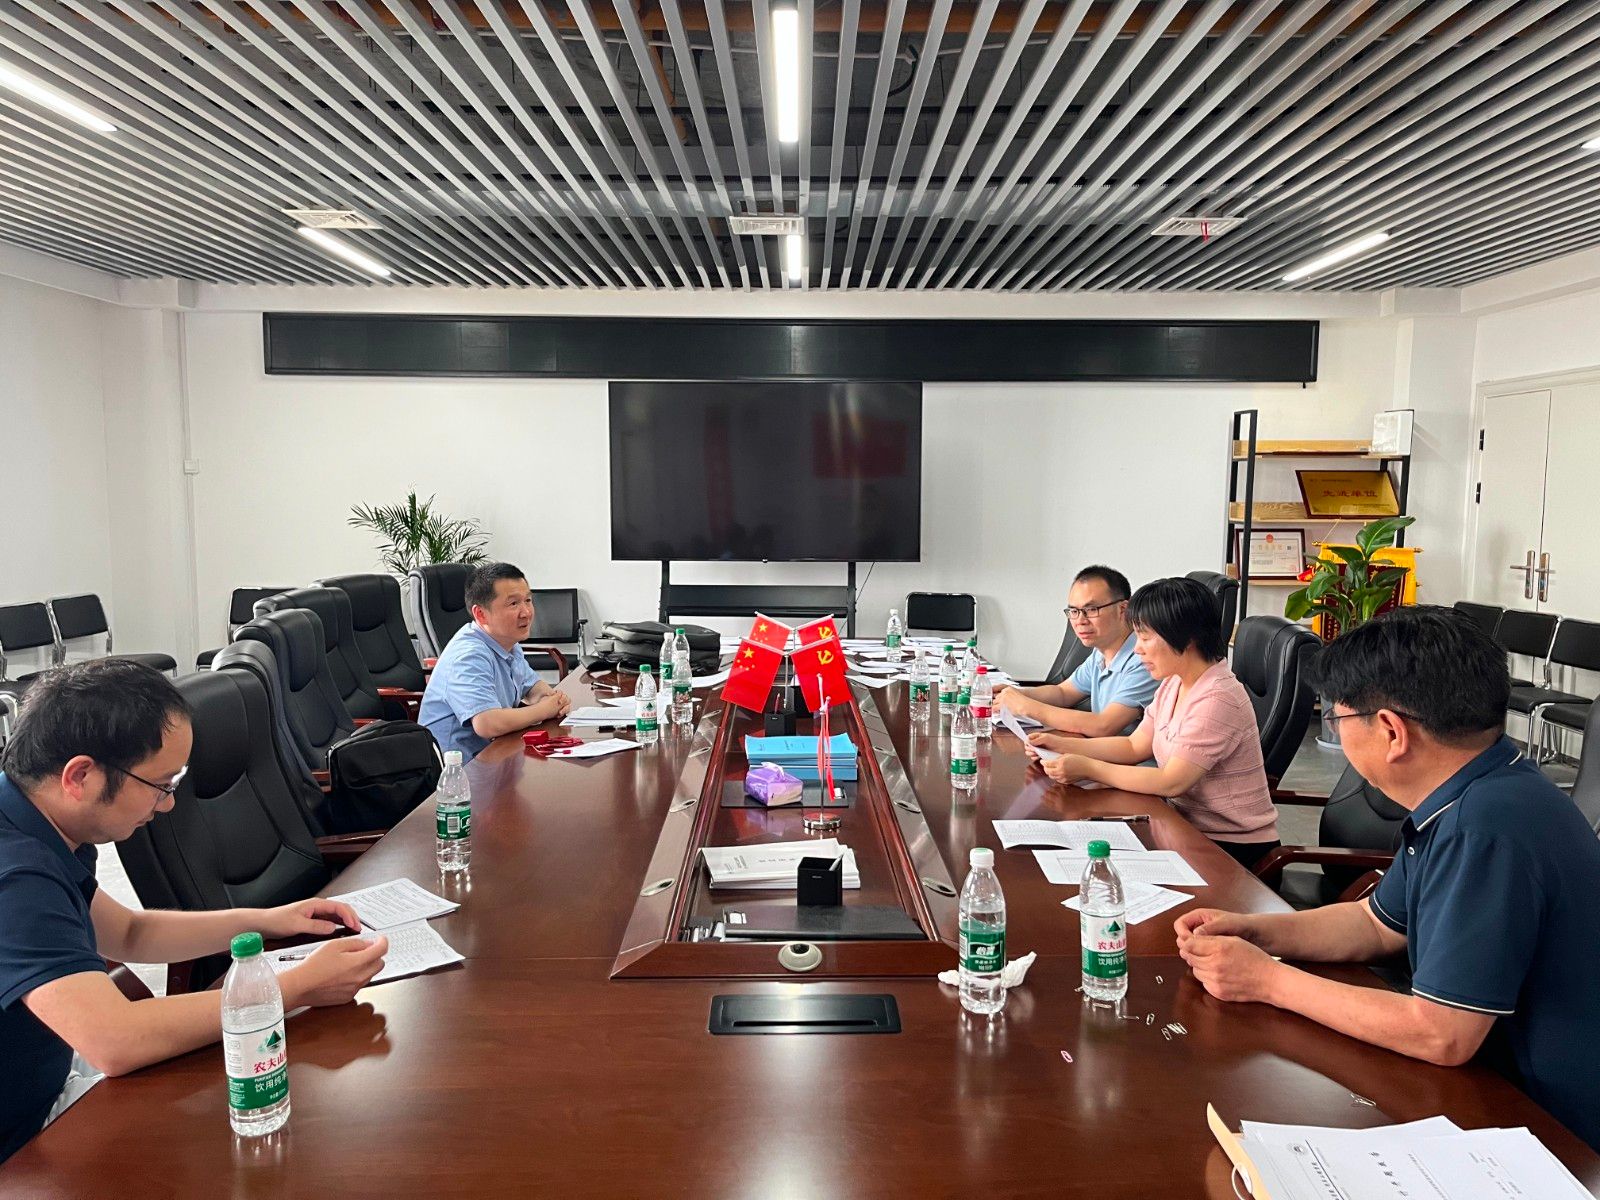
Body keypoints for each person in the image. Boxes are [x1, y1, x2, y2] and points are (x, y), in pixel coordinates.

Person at [1175, 607, 1600, 1151]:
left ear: (1392, 732)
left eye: (1337, 719)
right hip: (1494, 1083)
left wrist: (1266, 981)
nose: (1337, 732)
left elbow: (1441, 1033)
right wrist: (1257, 931)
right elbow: (1375, 924)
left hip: (1550, 1127)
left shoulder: (1484, 828)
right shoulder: (1480, 787)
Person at [0, 660, 388, 1164]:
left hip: (47, 1083)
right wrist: (297, 988)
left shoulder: (41, 820)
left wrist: (268, 918)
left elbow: (130, 933)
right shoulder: (17, 874)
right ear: (80, 776)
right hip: (22, 1144)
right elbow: (114, 1040)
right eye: (161, 785)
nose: (166, 805)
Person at [1034, 576, 1279, 866]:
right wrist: (1059, 745)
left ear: (1185, 637)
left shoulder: (1218, 697)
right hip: (1181, 826)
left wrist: (1089, 767)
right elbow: (1133, 746)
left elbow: (1171, 782)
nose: (1137, 649)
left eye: (1145, 637)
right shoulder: (1174, 682)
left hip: (1231, 849)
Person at [419, 562, 573, 761]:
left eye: (528, 600)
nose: (526, 612)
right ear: (481, 614)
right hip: (459, 769)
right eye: (513, 604)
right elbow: (487, 723)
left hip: (496, 754)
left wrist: (552, 700)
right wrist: (544, 710)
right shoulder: (468, 655)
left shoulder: (508, 643)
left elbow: (532, 687)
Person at [994, 565, 1158, 738]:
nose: (1080, 620)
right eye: (1074, 611)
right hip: (1094, 749)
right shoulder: (1100, 653)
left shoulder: (1144, 659)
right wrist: (1013, 693)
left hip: (1123, 754)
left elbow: (1104, 725)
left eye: (1091, 610)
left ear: (1122, 610)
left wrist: (1026, 707)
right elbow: (1063, 693)